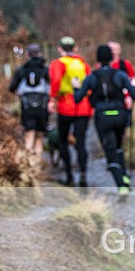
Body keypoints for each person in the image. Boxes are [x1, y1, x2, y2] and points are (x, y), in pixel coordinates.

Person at [74, 45, 135, 195]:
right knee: (118, 145)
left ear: (97, 58)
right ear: (111, 57)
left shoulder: (92, 77)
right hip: (120, 115)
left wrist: (76, 87)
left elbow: (78, 99)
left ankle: (121, 185)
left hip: (102, 117)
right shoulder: (120, 75)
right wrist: (133, 87)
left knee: (110, 150)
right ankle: (124, 176)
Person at [48, 36, 93, 187]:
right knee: (81, 143)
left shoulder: (58, 64)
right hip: (83, 107)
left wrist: (52, 99)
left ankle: (69, 176)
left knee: (62, 141)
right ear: (75, 48)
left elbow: (55, 81)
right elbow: (90, 84)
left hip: (65, 106)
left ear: (59, 49)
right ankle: (83, 176)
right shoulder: (83, 64)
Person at [8, 43, 49, 159]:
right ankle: (38, 162)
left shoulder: (21, 70)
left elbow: (12, 88)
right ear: (40, 53)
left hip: (27, 107)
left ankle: (30, 166)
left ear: (27, 54)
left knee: (29, 135)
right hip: (42, 106)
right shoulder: (45, 70)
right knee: (39, 136)